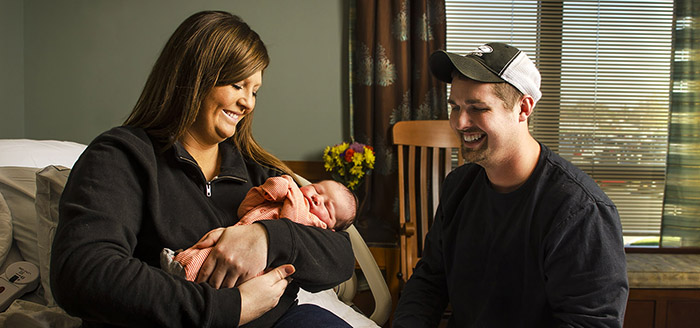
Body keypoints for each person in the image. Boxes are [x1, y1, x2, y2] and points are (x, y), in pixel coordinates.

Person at [50, 11, 355, 328]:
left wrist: (265, 237)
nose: (248, 103)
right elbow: (82, 272)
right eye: (238, 85)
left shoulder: (259, 173)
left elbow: (341, 255)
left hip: (283, 320)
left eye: (254, 91)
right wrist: (230, 308)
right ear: (193, 76)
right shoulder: (122, 157)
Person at [392, 42, 629, 327]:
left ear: (523, 108)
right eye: (455, 107)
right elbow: (430, 278)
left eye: (477, 108)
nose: (459, 122)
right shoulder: (459, 186)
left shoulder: (581, 211)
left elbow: (589, 323)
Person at [161, 175, 358, 282]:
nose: (317, 198)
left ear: (329, 228)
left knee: (215, 268)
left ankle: (185, 275)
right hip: (237, 232)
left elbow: (292, 222)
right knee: (208, 251)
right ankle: (180, 262)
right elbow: (245, 208)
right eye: (317, 188)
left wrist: (290, 190)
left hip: (259, 271)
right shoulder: (285, 197)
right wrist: (267, 191)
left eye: (327, 206)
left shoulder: (313, 223)